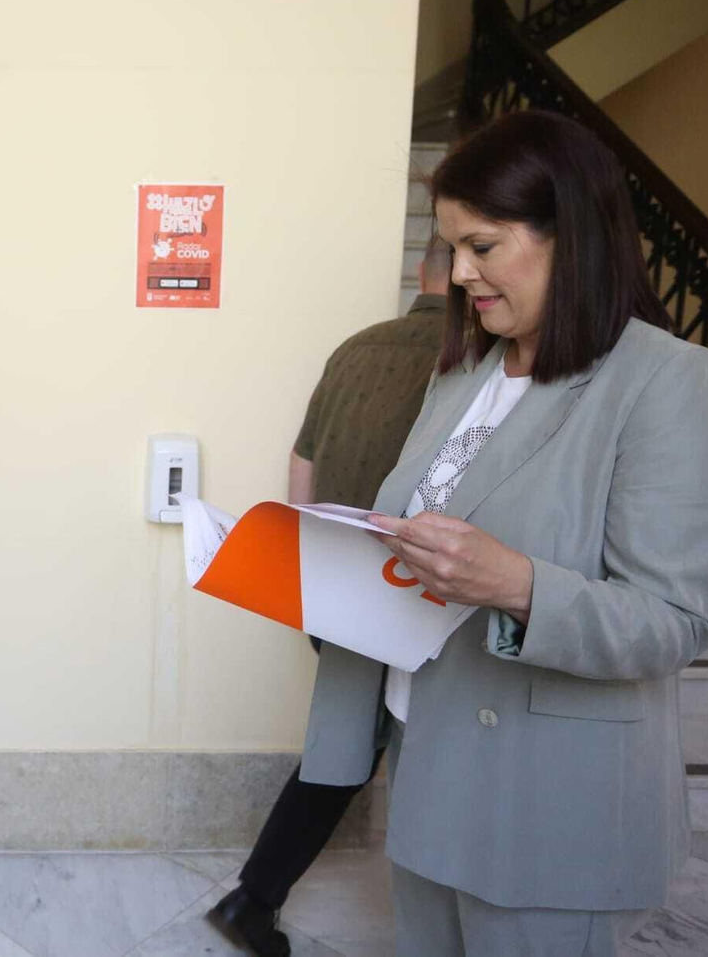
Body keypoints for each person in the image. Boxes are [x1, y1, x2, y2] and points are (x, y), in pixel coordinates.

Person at [302, 110, 708, 955]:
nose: (460, 273)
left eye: (483, 246)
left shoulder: (668, 382)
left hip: (549, 796)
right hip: (426, 755)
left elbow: (674, 622)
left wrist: (516, 584)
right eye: (452, 247)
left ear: (571, 236)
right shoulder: (464, 373)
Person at [208, 243, 452, 957]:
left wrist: (307, 582)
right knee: (414, 759)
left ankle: (253, 899)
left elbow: (303, 462)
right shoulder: (483, 361)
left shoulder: (355, 349)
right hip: (422, 603)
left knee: (342, 749)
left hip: (337, 593)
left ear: (421, 272)